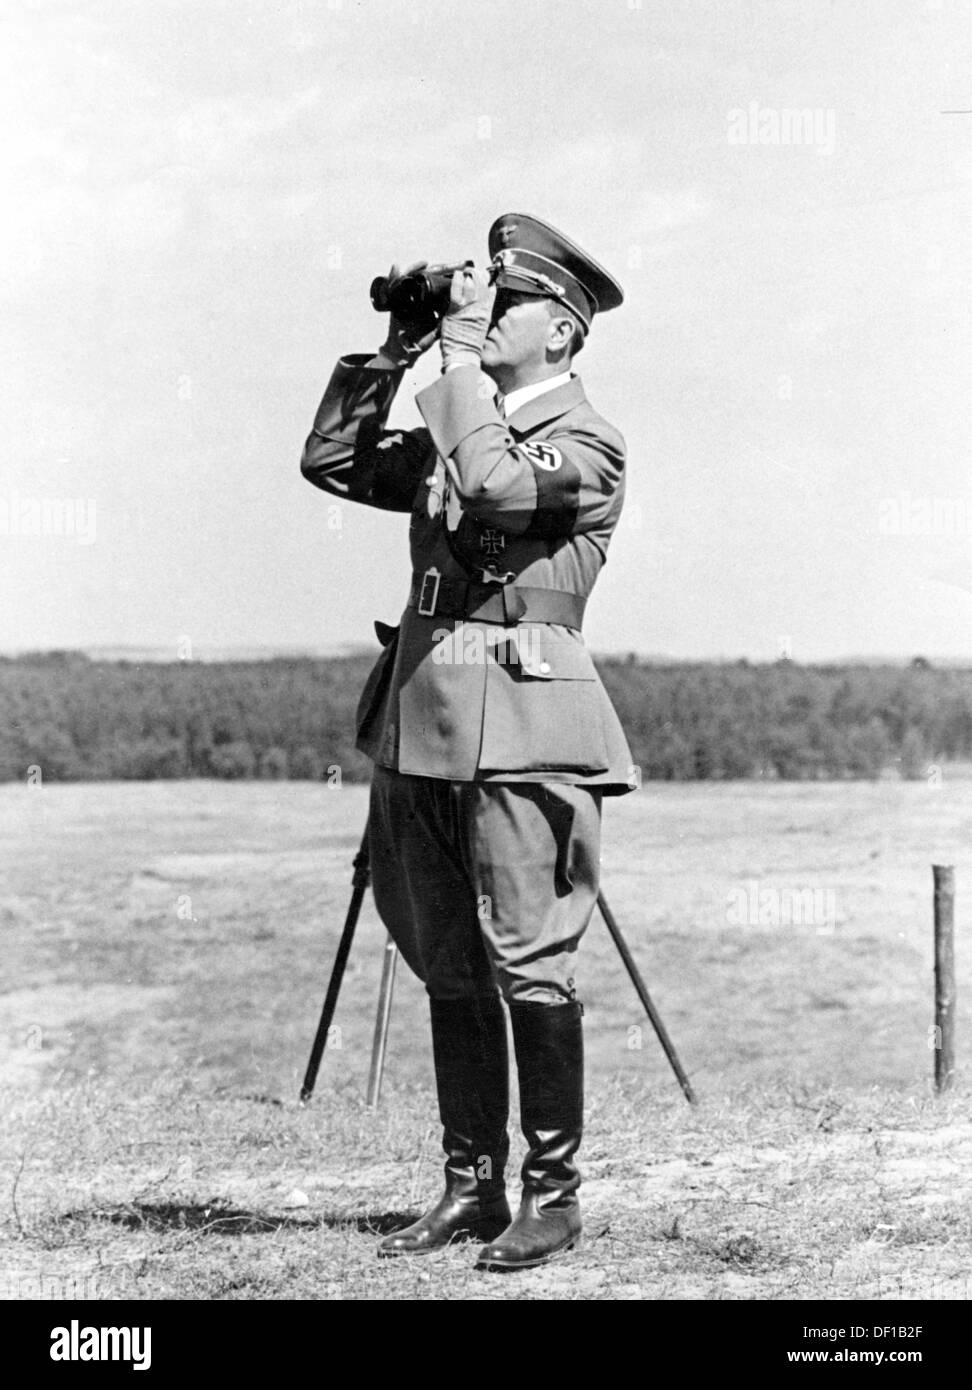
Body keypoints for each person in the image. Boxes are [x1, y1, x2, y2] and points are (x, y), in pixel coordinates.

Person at [300, 213, 635, 1271]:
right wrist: (397, 350)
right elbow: (334, 460)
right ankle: (470, 1183)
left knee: (529, 964)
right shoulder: (464, 419)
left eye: (509, 299)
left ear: (564, 333)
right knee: (448, 961)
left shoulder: (587, 444)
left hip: (529, 729)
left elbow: (492, 484)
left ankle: (553, 1193)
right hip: (425, 729)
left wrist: (451, 362)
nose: (485, 312)